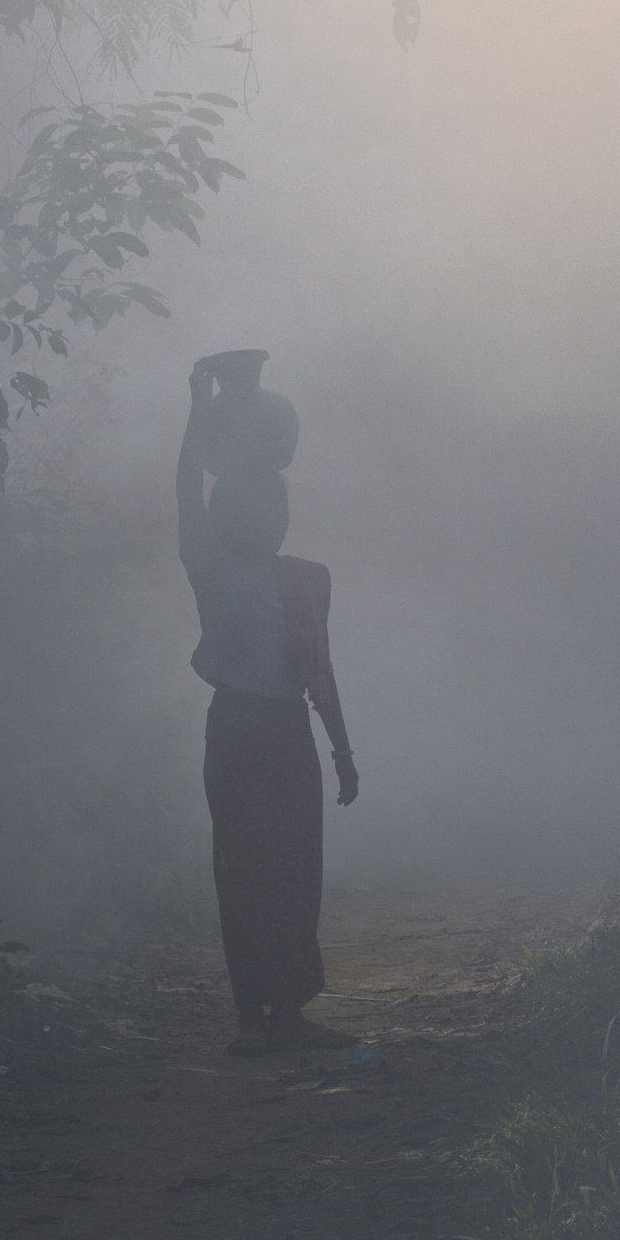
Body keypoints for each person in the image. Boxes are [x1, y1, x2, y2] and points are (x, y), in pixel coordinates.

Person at [178, 357, 362, 1055]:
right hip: (237, 731)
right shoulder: (210, 567)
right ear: (224, 518)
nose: (268, 519)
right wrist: (196, 410)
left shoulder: (308, 579)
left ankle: (280, 1010)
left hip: (289, 732)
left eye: (275, 508)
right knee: (246, 869)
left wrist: (342, 749)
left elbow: (321, 670)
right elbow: (184, 489)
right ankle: (260, 1016)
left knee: (295, 868)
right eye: (250, 508)